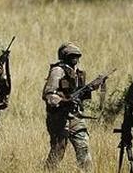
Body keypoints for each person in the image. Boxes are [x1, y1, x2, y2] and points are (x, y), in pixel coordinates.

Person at [42, 42, 93, 171]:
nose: (75, 58)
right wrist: (64, 101)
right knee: (58, 149)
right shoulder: (57, 71)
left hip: (75, 116)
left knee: (83, 147)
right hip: (59, 117)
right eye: (71, 55)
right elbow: (48, 95)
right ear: (64, 56)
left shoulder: (77, 72)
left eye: (76, 55)